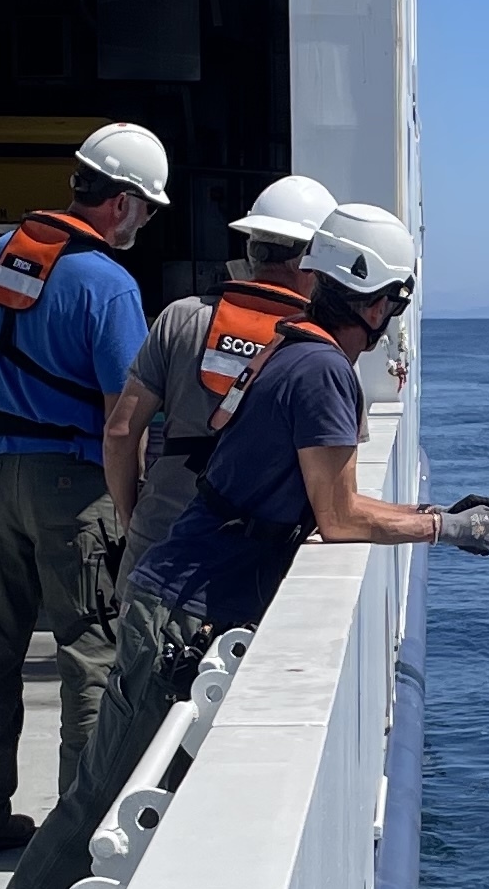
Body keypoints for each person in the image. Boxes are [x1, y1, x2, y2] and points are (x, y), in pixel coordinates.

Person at [0, 201, 489, 889]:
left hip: (178, 594)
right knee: (102, 796)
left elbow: (329, 497)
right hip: (186, 612)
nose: (397, 316)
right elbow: (338, 516)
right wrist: (443, 531)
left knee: (114, 787)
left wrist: (433, 511)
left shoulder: (295, 352)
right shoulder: (324, 371)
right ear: (374, 299)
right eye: (397, 300)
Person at [0, 123, 168, 861]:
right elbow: (123, 417)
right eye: (149, 208)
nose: (147, 222)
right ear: (126, 203)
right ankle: (76, 844)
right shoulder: (109, 284)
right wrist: (134, 510)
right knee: (90, 656)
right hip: (72, 487)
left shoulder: (4, 257)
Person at [98, 172, 337, 587]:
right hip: (252, 556)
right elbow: (332, 484)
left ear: (251, 246)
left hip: (158, 539)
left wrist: (134, 515)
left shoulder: (182, 317)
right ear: (309, 260)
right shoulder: (317, 350)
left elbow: (120, 432)